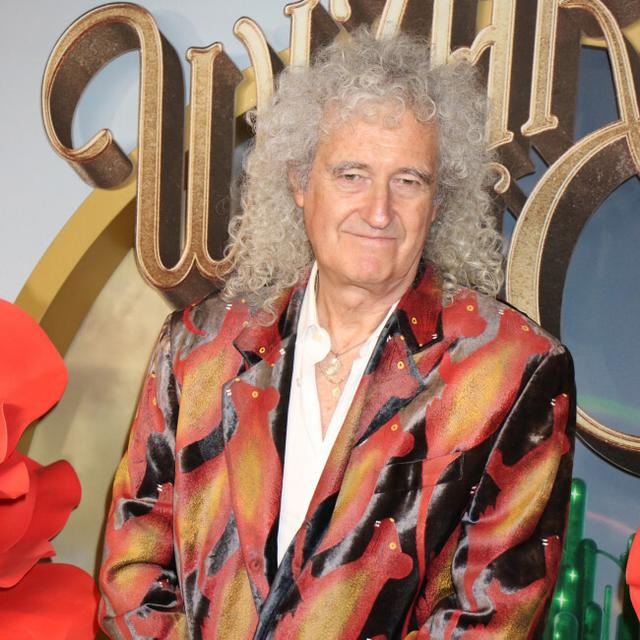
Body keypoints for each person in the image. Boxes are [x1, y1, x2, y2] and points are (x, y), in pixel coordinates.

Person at [99, 29, 576, 639]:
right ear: (301, 183)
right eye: (352, 175)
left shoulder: (512, 369)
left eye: (409, 181)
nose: (378, 211)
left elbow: (491, 618)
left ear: (438, 201)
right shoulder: (198, 347)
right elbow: (132, 573)